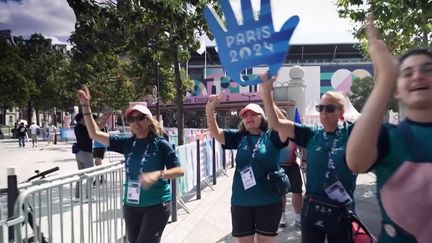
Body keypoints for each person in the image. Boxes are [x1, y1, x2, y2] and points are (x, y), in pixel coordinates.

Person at [346, 17, 432, 243]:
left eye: (427, 69)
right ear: (397, 91)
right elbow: (356, 161)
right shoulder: (388, 137)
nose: (418, 76)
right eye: (407, 72)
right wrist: (385, 77)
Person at [77, 85, 184, 243]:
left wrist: (158, 174)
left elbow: (179, 170)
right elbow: (94, 133)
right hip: (131, 205)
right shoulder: (127, 143)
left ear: (148, 120)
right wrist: (86, 106)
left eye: (140, 118)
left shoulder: (161, 144)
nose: (135, 122)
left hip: (156, 204)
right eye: (131, 119)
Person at [260, 75, 357, 243]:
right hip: (313, 209)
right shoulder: (311, 134)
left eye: (330, 108)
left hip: (343, 212)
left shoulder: (352, 133)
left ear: (341, 112)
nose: (324, 113)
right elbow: (276, 124)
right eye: (321, 108)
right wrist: (266, 91)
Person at [206, 95, 289, 243]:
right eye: (245, 115)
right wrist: (210, 109)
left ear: (262, 117)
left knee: (265, 240)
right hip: (241, 202)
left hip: (268, 201)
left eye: (253, 114)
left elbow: (284, 125)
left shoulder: (272, 137)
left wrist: (267, 98)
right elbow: (216, 132)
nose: (249, 117)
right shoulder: (239, 137)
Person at [277, 109, 304, 228]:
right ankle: (281, 217)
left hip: (292, 166)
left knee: (297, 192)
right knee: (280, 194)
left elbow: (303, 146)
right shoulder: (272, 132)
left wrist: (304, 159)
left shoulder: (293, 132)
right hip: (278, 167)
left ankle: (299, 217)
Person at [73, 113, 95, 198]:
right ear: (82, 119)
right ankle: (88, 195)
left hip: (79, 153)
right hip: (86, 153)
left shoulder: (77, 127)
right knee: (90, 175)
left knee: (81, 175)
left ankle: (78, 195)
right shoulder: (84, 128)